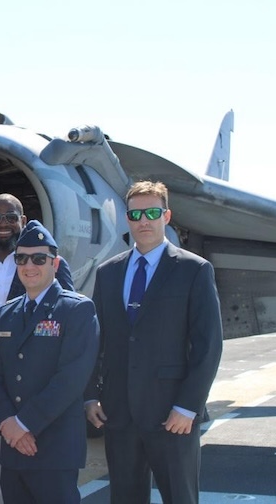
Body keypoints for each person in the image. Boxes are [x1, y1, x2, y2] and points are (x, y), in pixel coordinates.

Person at [85, 180, 224, 503]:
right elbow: (96, 339)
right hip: (119, 414)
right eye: (135, 215)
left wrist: (188, 406)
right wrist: (90, 396)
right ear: (127, 219)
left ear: (166, 216)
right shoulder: (108, 273)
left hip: (171, 414)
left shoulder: (194, 270)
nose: (143, 221)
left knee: (180, 496)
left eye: (151, 213)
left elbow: (208, 345)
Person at [0, 194, 75, 504]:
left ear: (23, 222)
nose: (3, 224)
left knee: (44, 481)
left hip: (39, 396)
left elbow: (67, 321)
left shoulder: (47, 264)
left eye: (11, 217)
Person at [0, 220, 99, 503]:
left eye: (39, 258)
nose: (29, 265)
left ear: (55, 264)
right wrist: (8, 423)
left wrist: (23, 424)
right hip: (12, 447)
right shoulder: (7, 313)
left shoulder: (76, 309)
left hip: (54, 448)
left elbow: (71, 378)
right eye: (21, 258)